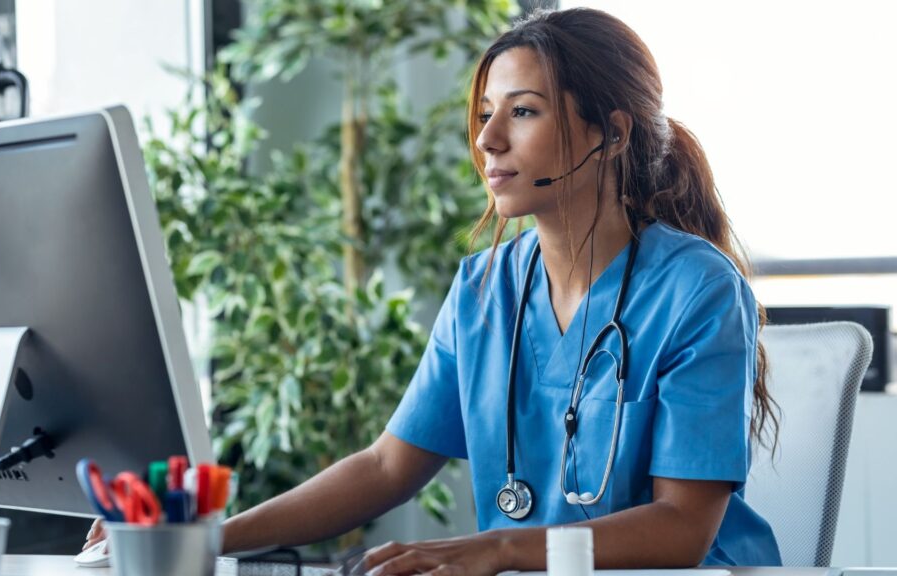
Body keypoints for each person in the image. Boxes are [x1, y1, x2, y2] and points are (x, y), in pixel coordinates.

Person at [85, 7, 782, 572]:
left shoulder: (697, 290)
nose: (488, 140)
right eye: (484, 114)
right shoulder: (484, 288)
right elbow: (388, 465)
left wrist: (496, 547)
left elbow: (684, 528)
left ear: (610, 133)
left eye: (524, 112)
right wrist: (205, 539)